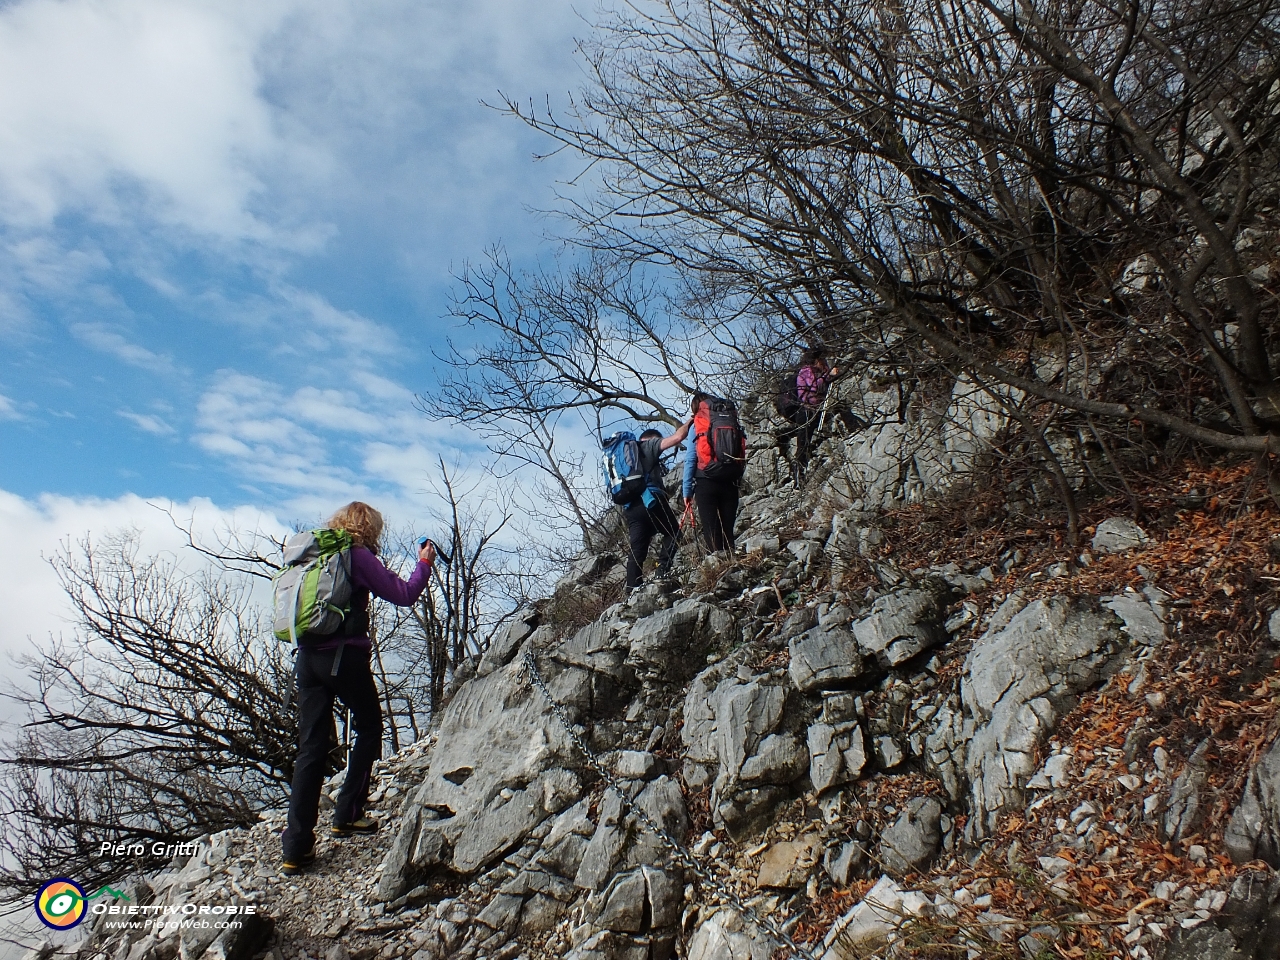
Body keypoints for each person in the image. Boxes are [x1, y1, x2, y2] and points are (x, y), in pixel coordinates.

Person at [281, 501, 435, 876]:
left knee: (311, 748)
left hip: (306, 660)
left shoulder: (313, 556)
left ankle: (295, 848)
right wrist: (424, 564)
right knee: (369, 727)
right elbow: (403, 593)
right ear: (369, 528)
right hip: (343, 658)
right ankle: (347, 813)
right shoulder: (357, 556)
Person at [624, 422, 692, 590]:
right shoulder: (649, 445)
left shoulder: (626, 458)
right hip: (651, 499)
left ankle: (632, 589)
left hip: (631, 506)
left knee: (637, 549)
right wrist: (691, 421)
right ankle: (662, 571)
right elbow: (678, 437)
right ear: (653, 439)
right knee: (673, 532)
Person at [683, 393, 741, 553]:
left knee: (712, 531)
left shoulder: (697, 424)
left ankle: (717, 571)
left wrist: (687, 491)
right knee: (728, 531)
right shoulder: (729, 420)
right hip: (729, 480)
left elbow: (690, 459)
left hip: (706, 481)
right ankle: (733, 565)